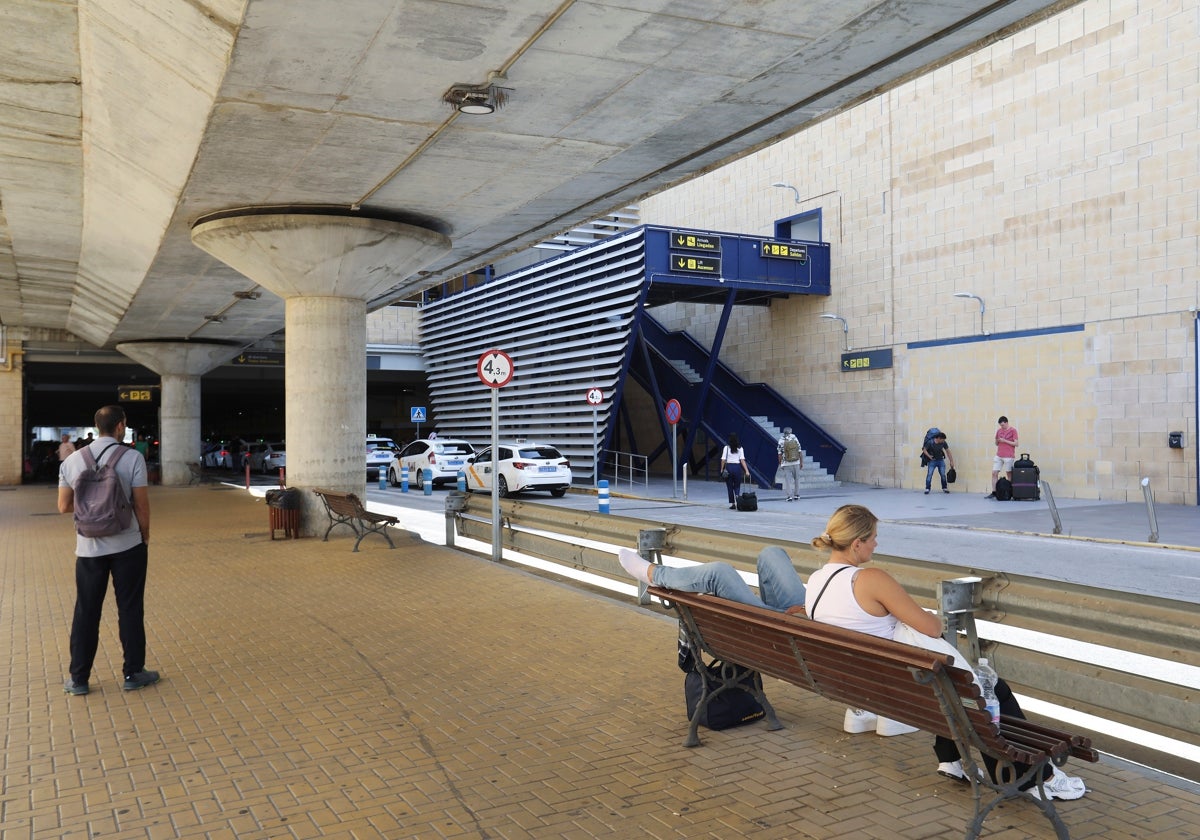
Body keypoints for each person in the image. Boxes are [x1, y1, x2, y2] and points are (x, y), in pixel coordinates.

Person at [806, 504, 1086, 798]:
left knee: (953, 684)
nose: (877, 543)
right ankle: (1031, 778)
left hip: (859, 685)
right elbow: (932, 628)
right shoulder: (869, 579)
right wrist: (931, 617)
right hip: (902, 689)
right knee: (990, 691)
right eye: (874, 537)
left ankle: (951, 758)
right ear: (857, 543)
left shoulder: (816, 581)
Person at [57, 405, 160, 696]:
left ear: (96, 426)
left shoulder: (73, 460)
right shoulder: (132, 458)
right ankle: (133, 672)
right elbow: (141, 504)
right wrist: (145, 534)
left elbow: (64, 506)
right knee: (129, 608)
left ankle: (78, 679)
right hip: (128, 545)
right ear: (121, 426)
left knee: (86, 610)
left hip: (88, 549)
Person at [617, 546, 806, 615]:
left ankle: (655, 575)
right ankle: (775, 612)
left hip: (796, 634)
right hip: (806, 625)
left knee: (718, 573)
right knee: (772, 553)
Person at [989, 416, 1019, 498]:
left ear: (1006, 422)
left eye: (1003, 425)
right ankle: (994, 492)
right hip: (999, 455)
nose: (1002, 427)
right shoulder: (999, 431)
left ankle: (1009, 492)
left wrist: (1004, 440)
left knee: (1009, 474)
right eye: (1000, 425)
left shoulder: (1013, 430)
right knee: (994, 473)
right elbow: (996, 443)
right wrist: (997, 441)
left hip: (1009, 456)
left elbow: (1016, 444)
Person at [720, 432, 750, 509]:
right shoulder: (740, 448)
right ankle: (737, 498)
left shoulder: (726, 448)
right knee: (737, 485)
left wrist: (721, 469)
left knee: (729, 486)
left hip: (729, 467)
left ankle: (732, 503)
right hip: (737, 468)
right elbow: (742, 460)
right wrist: (746, 470)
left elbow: (723, 460)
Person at [776, 427, 804, 502]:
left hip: (786, 463)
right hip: (796, 462)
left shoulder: (781, 440)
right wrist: (801, 462)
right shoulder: (794, 438)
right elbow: (799, 451)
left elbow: (779, 454)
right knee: (797, 479)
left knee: (788, 481)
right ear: (791, 432)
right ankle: (797, 495)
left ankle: (789, 496)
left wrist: (780, 464)